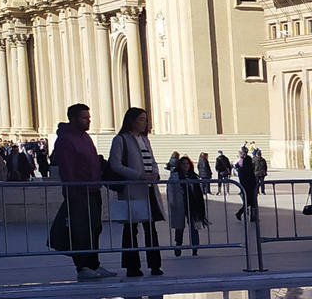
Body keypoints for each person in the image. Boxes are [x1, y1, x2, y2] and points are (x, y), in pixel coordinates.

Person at [50, 104, 112, 279]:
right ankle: (82, 266)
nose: (88, 120)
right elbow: (67, 169)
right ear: (74, 119)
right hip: (78, 192)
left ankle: (93, 264)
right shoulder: (66, 140)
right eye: (84, 117)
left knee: (94, 228)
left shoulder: (85, 137)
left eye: (89, 117)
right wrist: (71, 191)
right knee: (80, 230)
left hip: (93, 189)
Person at [107, 107, 166, 277]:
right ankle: (132, 266)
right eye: (141, 119)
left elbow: (152, 160)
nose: (144, 123)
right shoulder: (120, 139)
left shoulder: (145, 140)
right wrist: (139, 175)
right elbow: (115, 164)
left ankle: (155, 265)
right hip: (132, 190)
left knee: (151, 228)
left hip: (149, 190)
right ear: (131, 121)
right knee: (131, 229)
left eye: (145, 119)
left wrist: (154, 173)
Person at [167, 156, 205, 254]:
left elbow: (198, 190)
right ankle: (178, 244)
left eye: (187, 164)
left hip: (192, 204)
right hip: (179, 202)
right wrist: (171, 201)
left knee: (194, 225)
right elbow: (170, 189)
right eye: (183, 163)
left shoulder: (194, 176)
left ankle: (195, 247)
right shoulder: (174, 175)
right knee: (179, 226)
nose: (186, 166)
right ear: (179, 165)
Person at [235, 149, 260, 221]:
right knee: (251, 202)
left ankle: (253, 216)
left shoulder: (241, 169)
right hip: (250, 187)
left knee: (251, 203)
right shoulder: (248, 169)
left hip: (244, 187)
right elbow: (252, 179)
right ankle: (240, 213)